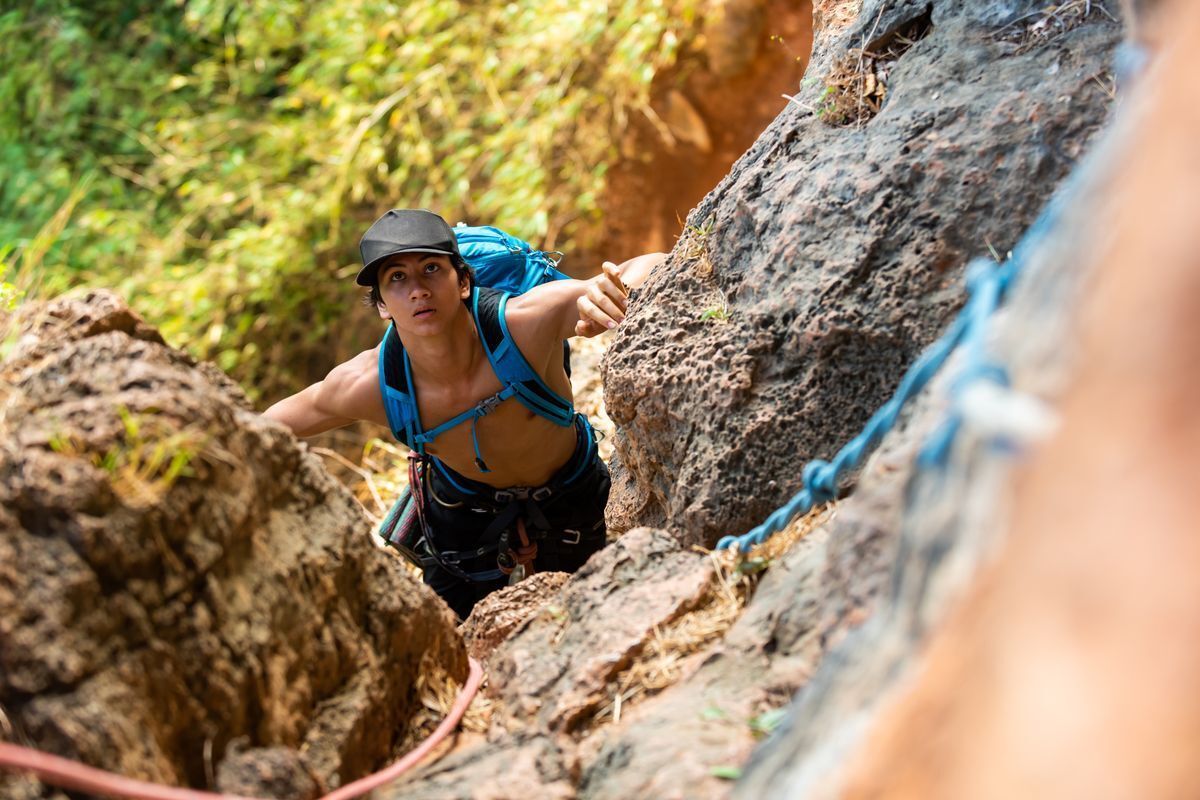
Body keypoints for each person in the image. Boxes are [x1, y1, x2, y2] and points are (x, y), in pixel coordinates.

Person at [265, 209, 663, 618]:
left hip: (569, 493)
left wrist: (614, 292)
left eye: (431, 269)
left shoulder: (523, 324)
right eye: (397, 278)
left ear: (463, 281)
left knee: (591, 619)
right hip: (461, 514)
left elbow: (653, 264)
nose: (417, 289)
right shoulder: (369, 384)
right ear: (382, 305)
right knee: (452, 640)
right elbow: (259, 429)